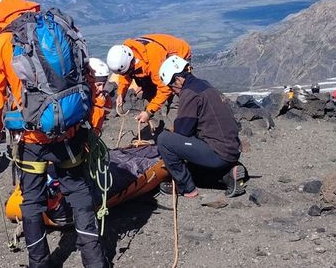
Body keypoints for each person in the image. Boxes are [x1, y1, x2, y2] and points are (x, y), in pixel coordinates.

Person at [0, 0, 107, 268]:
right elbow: (87, 75)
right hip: (70, 129)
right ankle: (95, 260)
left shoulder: (1, 44)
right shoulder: (60, 25)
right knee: (79, 192)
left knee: (32, 200)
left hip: (32, 137)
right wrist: (91, 118)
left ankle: (40, 262)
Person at [155, 55, 246, 198]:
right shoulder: (203, 84)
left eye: (171, 86)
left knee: (164, 140)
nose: (172, 91)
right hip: (231, 149)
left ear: (178, 80)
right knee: (191, 164)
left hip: (218, 152)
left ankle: (186, 187)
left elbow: (183, 131)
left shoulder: (189, 93)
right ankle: (229, 174)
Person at [105, 34, 192, 130]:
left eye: (128, 70)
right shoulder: (126, 56)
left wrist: (149, 112)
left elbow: (165, 89)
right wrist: (121, 93)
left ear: (132, 62)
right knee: (149, 94)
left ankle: (175, 133)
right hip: (152, 65)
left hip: (179, 57)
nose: (127, 73)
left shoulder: (153, 58)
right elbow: (125, 75)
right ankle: (158, 129)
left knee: (175, 98)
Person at [88, 57, 111, 135]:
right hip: (88, 138)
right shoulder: (84, 99)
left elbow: (108, 110)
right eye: (98, 85)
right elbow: (93, 123)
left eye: (103, 85)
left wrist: (106, 100)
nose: (101, 88)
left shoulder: (101, 96)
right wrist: (99, 104)